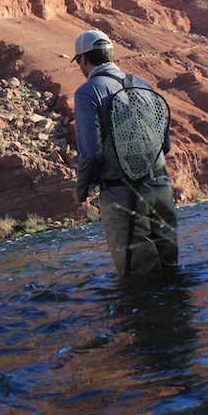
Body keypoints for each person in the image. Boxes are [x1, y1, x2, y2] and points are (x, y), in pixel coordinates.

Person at [72, 29, 179, 276]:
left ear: (84, 59)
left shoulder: (88, 92)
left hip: (124, 195)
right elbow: (166, 145)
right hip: (161, 188)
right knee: (171, 273)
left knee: (140, 281)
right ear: (110, 55)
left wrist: (81, 191)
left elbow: (91, 154)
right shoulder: (143, 84)